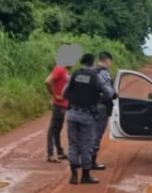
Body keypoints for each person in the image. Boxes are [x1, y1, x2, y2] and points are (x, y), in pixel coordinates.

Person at [63, 53, 113, 184]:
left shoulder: (74, 74)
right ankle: (85, 176)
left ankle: (73, 175)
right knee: (86, 145)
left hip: (73, 114)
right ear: (92, 63)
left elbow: (64, 93)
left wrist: (75, 99)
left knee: (73, 145)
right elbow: (109, 92)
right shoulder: (95, 77)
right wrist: (98, 98)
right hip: (87, 115)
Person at [90, 51, 116, 170]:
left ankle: (82, 159)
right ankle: (91, 162)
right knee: (97, 134)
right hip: (101, 106)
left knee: (87, 133)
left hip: (88, 106)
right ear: (107, 60)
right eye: (110, 62)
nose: (110, 64)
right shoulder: (104, 73)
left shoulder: (90, 70)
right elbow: (109, 92)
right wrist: (114, 94)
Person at [44, 57, 70, 162]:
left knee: (57, 129)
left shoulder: (64, 70)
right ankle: (50, 154)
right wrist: (55, 95)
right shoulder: (60, 68)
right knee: (53, 129)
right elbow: (47, 81)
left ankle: (59, 152)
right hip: (58, 105)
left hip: (63, 105)